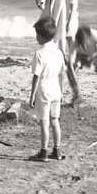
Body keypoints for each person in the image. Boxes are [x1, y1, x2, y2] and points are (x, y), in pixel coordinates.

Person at [29, 16, 66, 162]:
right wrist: (62, 92)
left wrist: (32, 95)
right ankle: (57, 150)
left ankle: (43, 151)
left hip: (43, 88)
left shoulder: (39, 54)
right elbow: (62, 74)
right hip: (56, 88)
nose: (36, 37)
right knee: (55, 120)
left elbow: (36, 76)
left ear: (42, 36)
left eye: (37, 35)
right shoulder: (58, 52)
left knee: (44, 121)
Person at [73, 25, 97, 110]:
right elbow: (74, 51)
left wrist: (93, 57)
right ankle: (76, 97)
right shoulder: (75, 36)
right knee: (73, 69)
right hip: (81, 53)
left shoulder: (95, 35)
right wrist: (76, 62)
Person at [63, 0, 82, 105]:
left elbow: (70, 12)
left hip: (70, 26)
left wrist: (66, 24)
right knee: (71, 58)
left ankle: (77, 93)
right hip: (74, 25)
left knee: (69, 61)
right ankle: (75, 66)